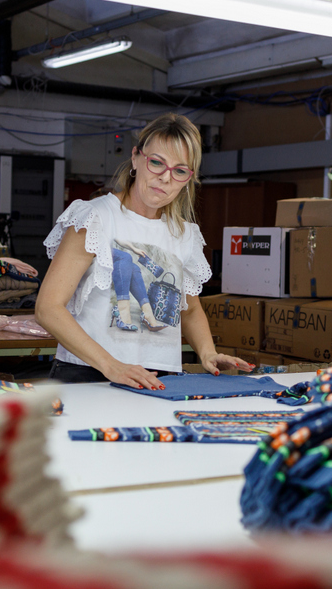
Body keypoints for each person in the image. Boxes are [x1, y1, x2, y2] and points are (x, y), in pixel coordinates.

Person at [35, 113, 251, 387]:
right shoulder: (95, 217)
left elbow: (189, 310)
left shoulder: (185, 234)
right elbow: (48, 308)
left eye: (179, 171)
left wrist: (208, 353)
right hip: (89, 375)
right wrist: (111, 366)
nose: (165, 178)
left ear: (188, 179)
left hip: (159, 380)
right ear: (136, 158)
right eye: (157, 163)